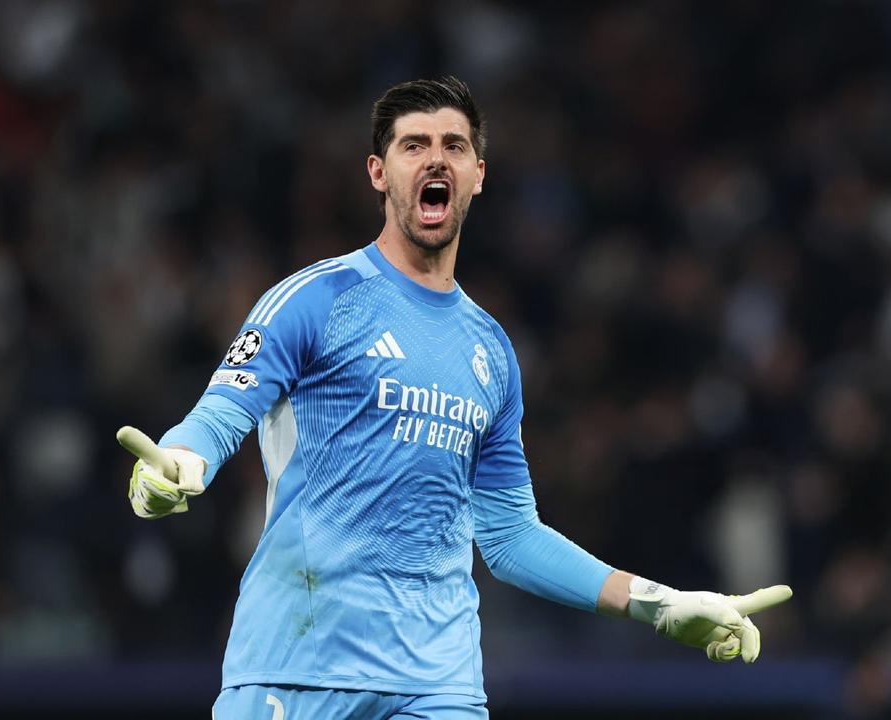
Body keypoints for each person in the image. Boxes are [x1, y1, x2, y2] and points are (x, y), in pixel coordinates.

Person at [119, 76, 792, 720]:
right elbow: (221, 412)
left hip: (438, 686)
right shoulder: (315, 300)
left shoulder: (491, 350)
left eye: (454, 145)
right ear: (379, 172)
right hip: (299, 665)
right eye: (414, 144)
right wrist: (178, 462)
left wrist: (658, 603)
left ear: (477, 175)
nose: (435, 159)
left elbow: (510, 536)